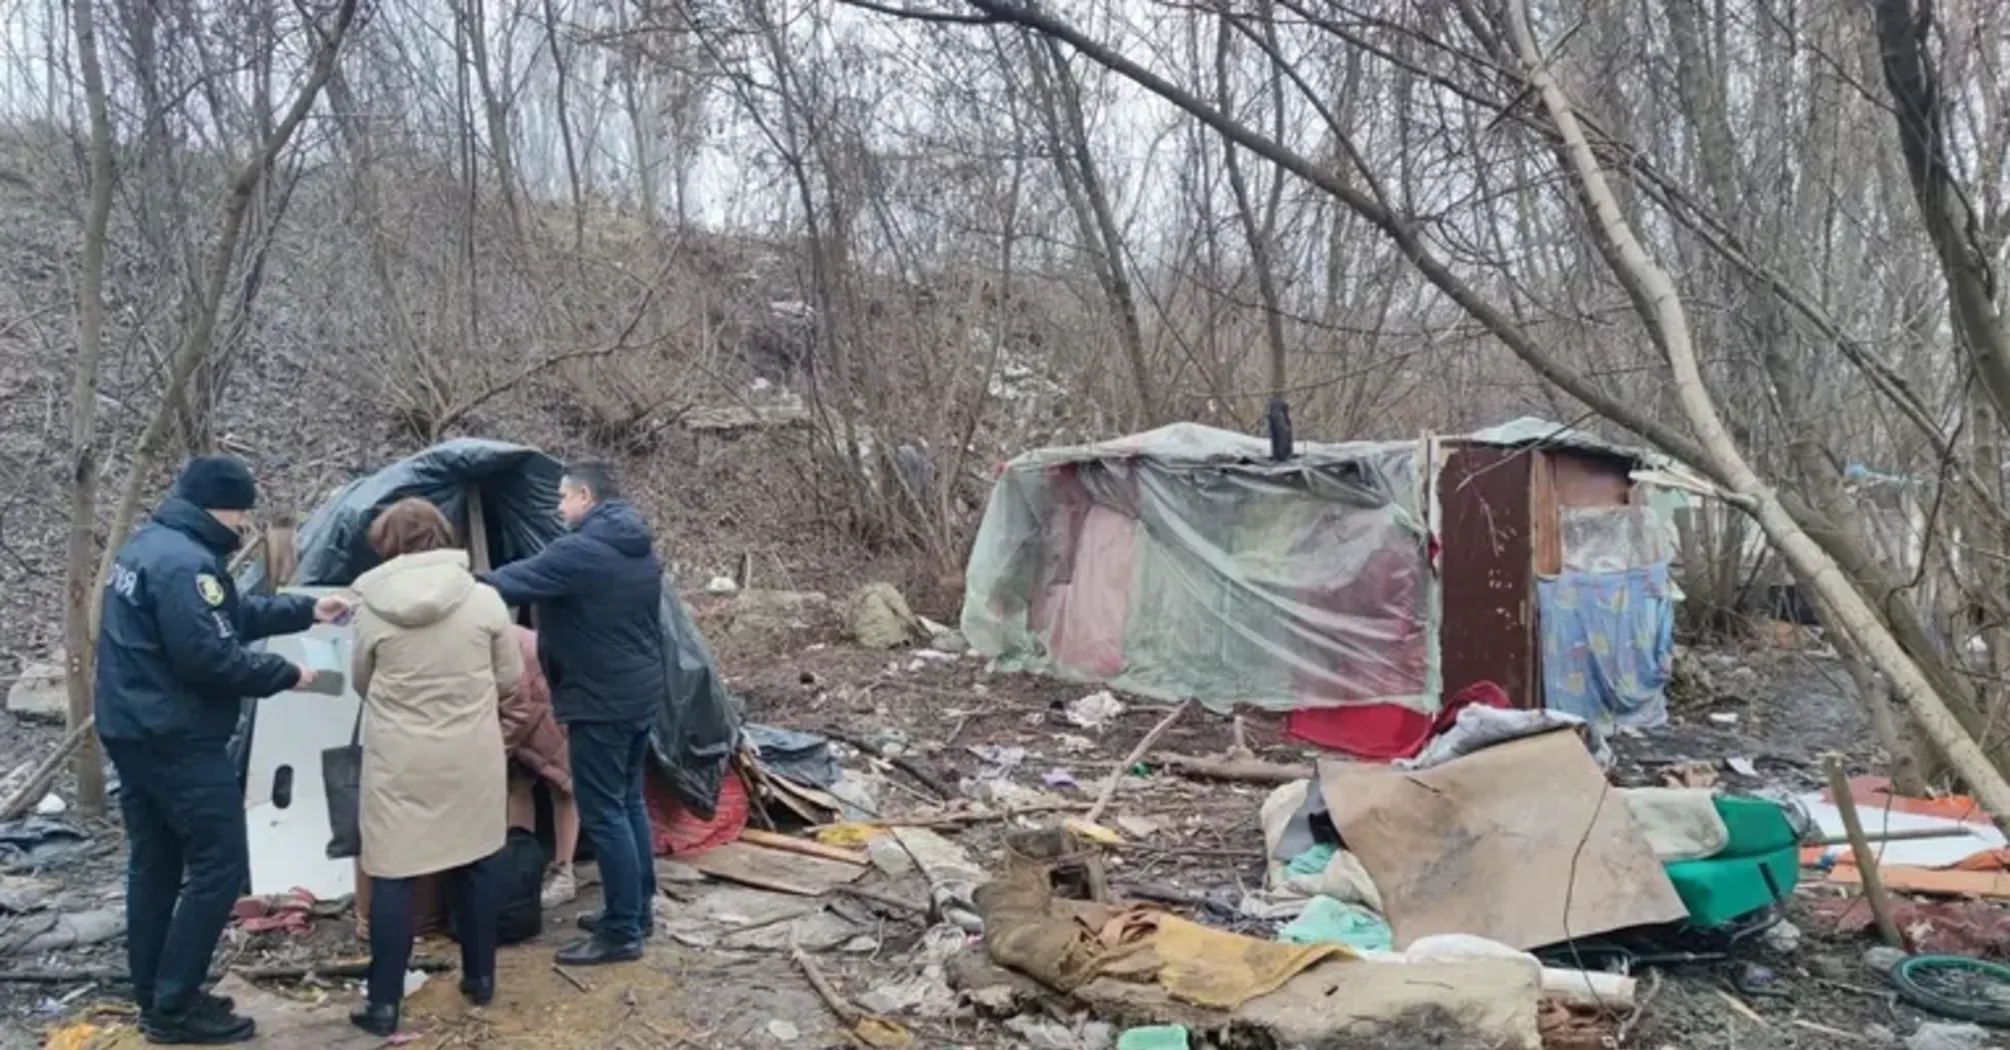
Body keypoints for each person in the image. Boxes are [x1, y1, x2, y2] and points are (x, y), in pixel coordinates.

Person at [96, 456, 350, 1046]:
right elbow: (212, 658)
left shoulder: (150, 547)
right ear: (225, 506)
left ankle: (155, 990)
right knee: (221, 864)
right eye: (241, 511)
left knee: (155, 861)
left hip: (134, 728)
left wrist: (307, 608)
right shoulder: (188, 564)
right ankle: (177, 1005)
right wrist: (289, 674)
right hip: (176, 738)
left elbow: (225, 617)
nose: (243, 523)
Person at [347, 499, 522, 1036]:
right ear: (442, 535)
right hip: (470, 757)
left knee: (394, 877)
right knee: (475, 864)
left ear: (387, 543)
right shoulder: (485, 599)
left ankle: (382, 1004)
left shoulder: (369, 604)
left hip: (400, 761)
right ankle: (482, 978)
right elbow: (510, 678)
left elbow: (361, 680)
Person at [482, 460, 666, 967]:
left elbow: (508, 582)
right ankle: (636, 910)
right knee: (627, 803)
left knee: (604, 812)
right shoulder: (638, 543)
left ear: (585, 496)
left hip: (601, 700)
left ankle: (622, 932)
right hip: (640, 691)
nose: (559, 508)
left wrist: (447, 583)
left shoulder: (581, 551)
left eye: (563, 499)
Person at [498, 624, 583, 908]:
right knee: (518, 784)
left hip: (549, 701)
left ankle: (563, 871)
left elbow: (519, 703)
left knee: (562, 786)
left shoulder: (497, 636)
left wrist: (501, 746)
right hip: (527, 699)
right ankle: (523, 870)